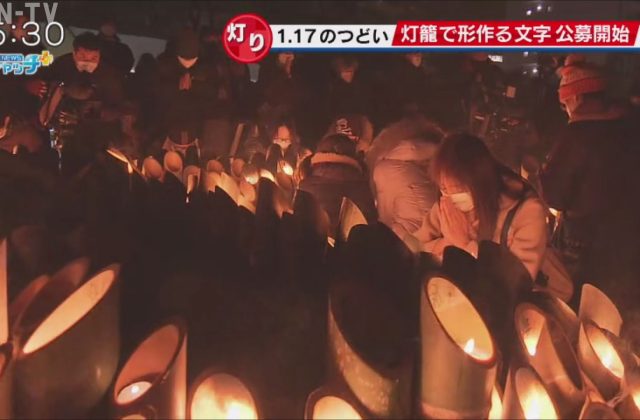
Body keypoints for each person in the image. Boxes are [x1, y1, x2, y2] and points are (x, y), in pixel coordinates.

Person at [539, 55, 640, 331]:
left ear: (576, 97)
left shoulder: (577, 135)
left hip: (584, 243)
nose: (565, 110)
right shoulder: (629, 126)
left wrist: (543, 171)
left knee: (580, 311)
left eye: (565, 103)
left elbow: (554, 195)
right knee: (619, 310)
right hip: (630, 239)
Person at [410, 133, 548, 281]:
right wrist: (447, 243)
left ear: (480, 180)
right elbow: (415, 248)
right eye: (444, 187)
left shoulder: (526, 211)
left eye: (458, 188)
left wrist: (465, 245)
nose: (451, 196)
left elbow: (516, 282)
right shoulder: (447, 202)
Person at [372, 123, 443, 240]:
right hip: (417, 238)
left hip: (402, 239)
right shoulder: (412, 175)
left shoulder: (386, 167)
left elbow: (386, 216)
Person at [298, 134, 377, 238]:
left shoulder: (305, 187)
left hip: (315, 245)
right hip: (353, 245)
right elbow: (370, 224)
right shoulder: (364, 188)